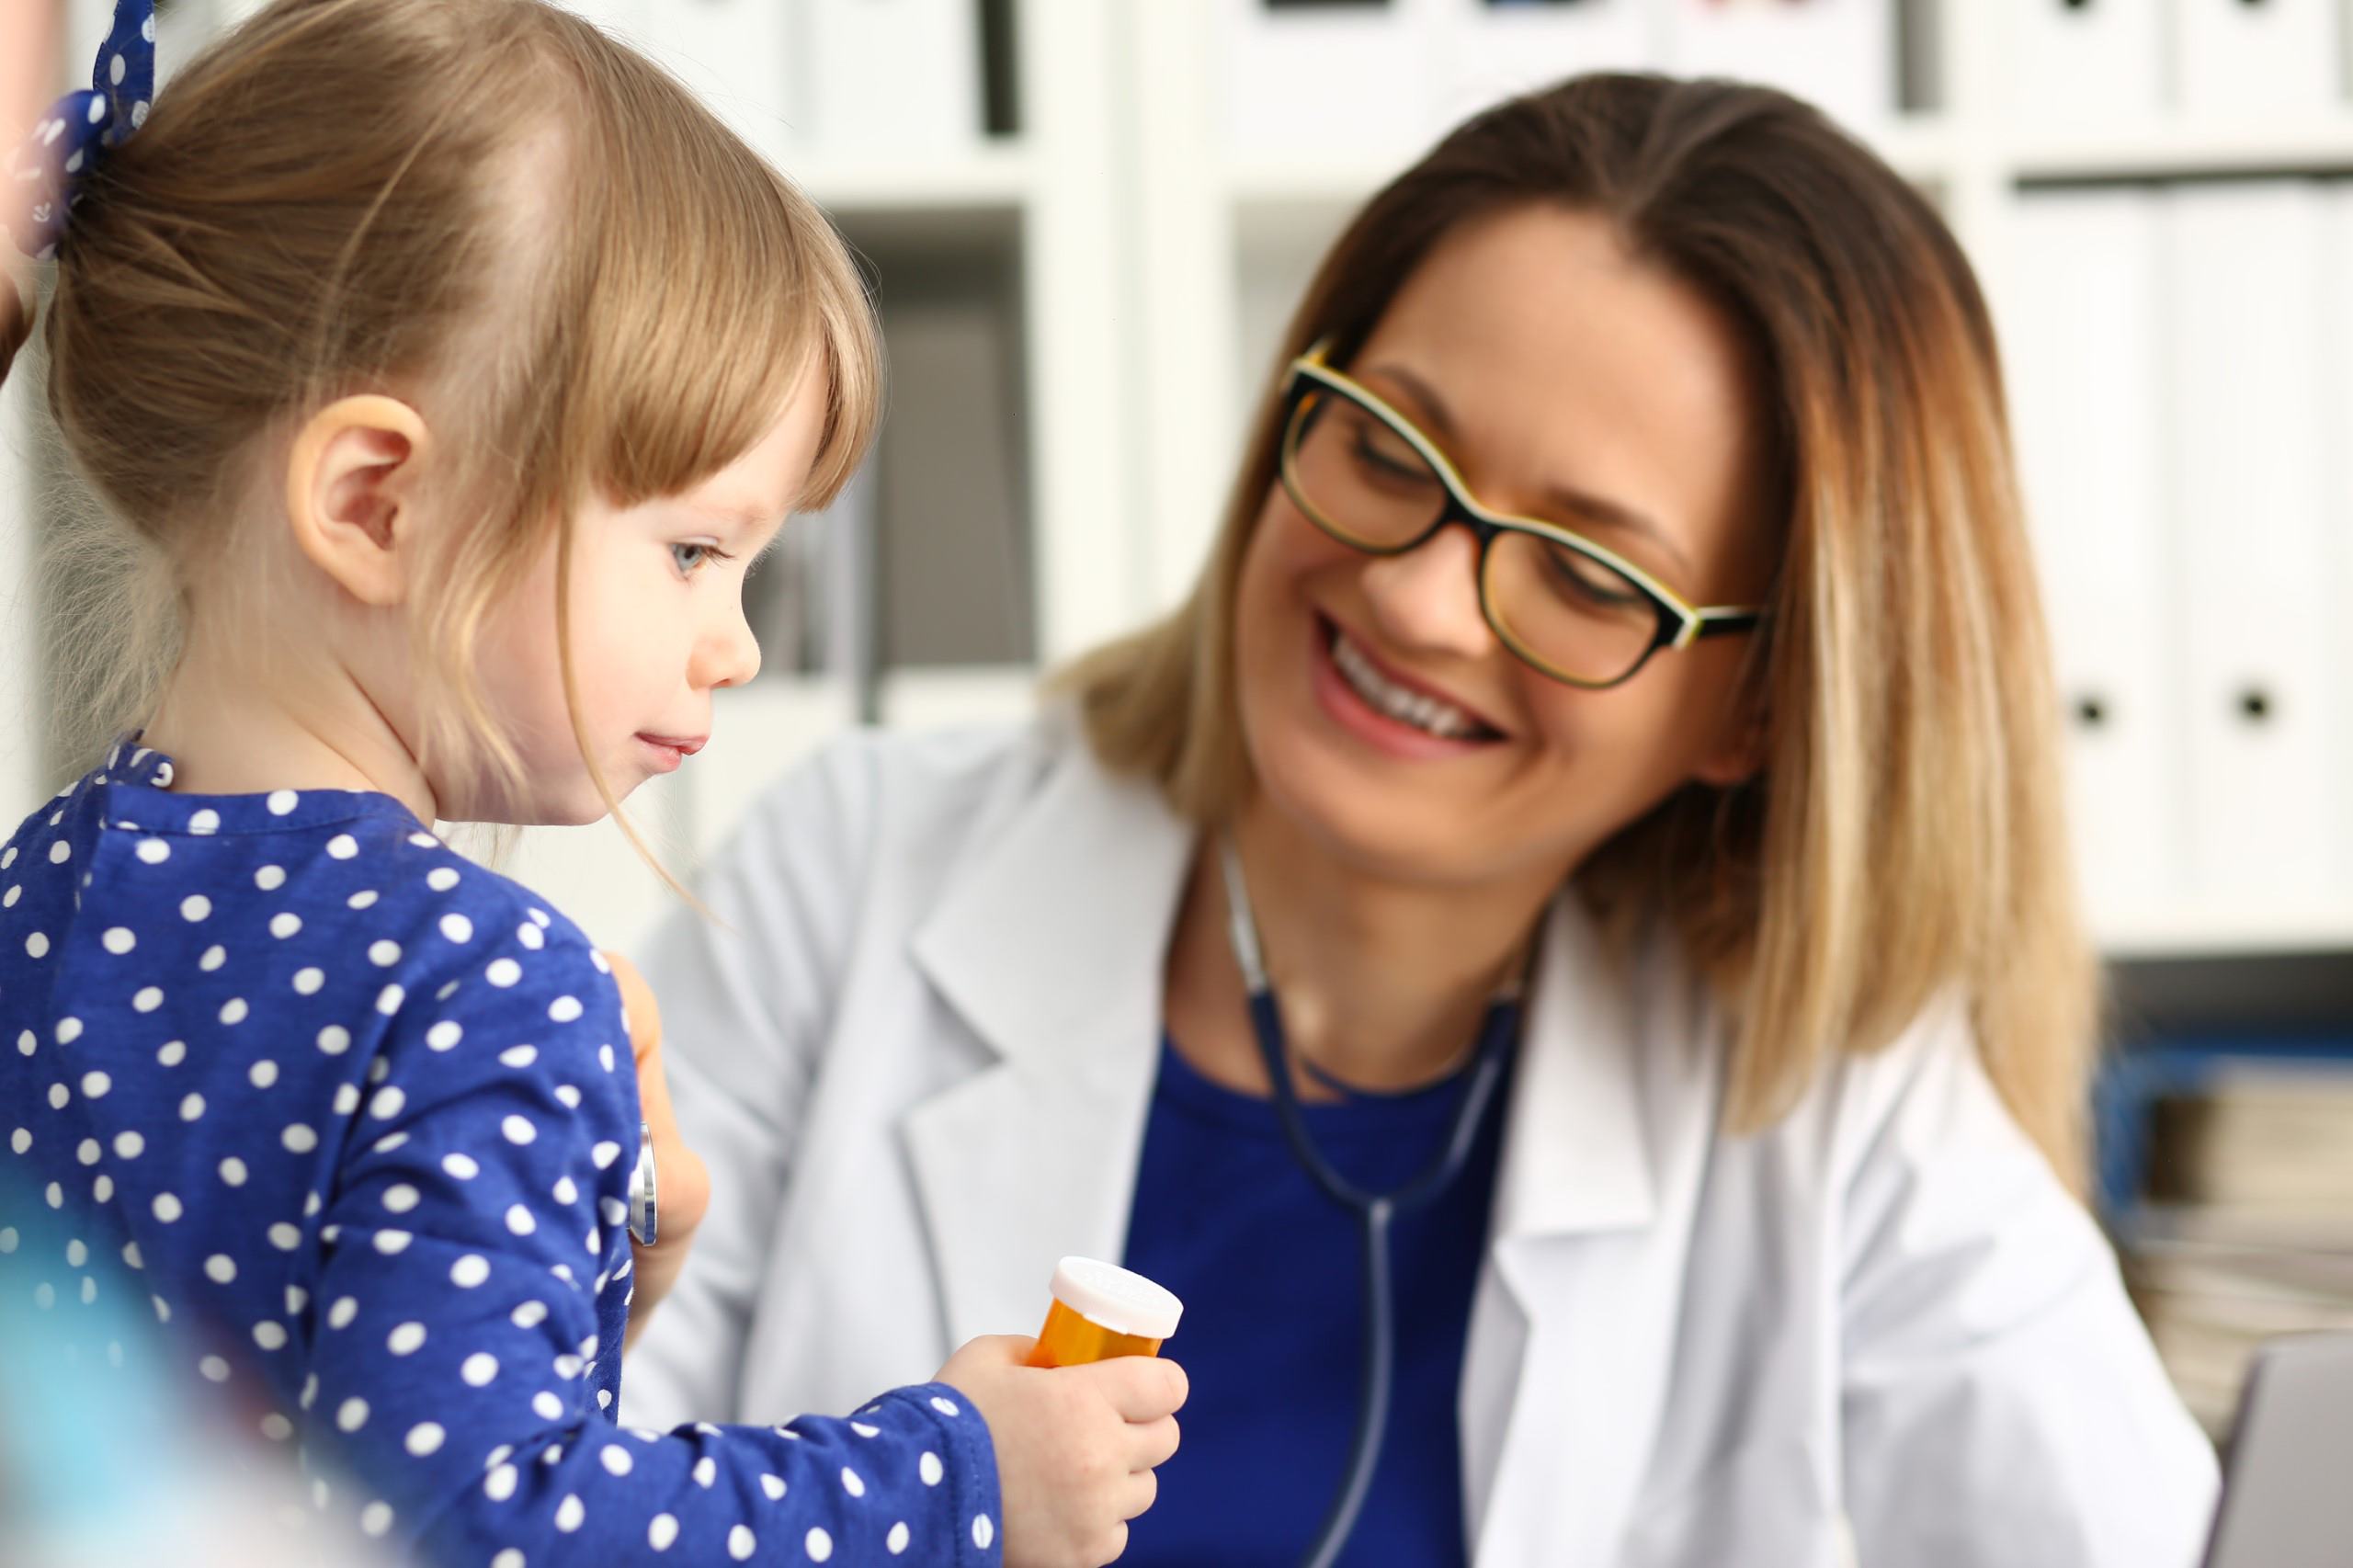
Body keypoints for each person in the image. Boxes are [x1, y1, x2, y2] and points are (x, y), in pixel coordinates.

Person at [624, 72, 2221, 1567]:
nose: (1413, 596)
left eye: (1591, 574)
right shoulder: (862, 876)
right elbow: (510, 1501)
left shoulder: (1839, 1105)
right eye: (1388, 449)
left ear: (1763, 703)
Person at [0, 3, 1182, 1565]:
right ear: (377, 503)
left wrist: (595, 1279)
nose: (735, 646)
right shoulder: (484, 982)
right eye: (692, 552)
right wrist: (957, 1478)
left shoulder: (41, 887)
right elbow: (499, 1531)